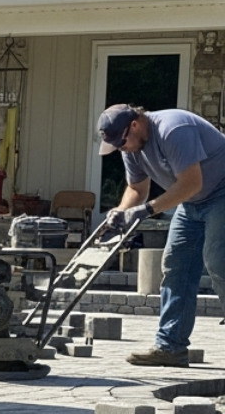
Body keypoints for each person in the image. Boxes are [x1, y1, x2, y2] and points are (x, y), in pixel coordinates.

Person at [95, 103, 225, 367]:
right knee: (176, 265)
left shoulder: (173, 129)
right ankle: (171, 347)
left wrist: (147, 210)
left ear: (134, 125)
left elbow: (191, 182)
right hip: (192, 203)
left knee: (217, 261)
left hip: (221, 192)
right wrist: (121, 211)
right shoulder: (131, 146)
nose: (123, 149)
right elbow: (136, 188)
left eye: (122, 143)